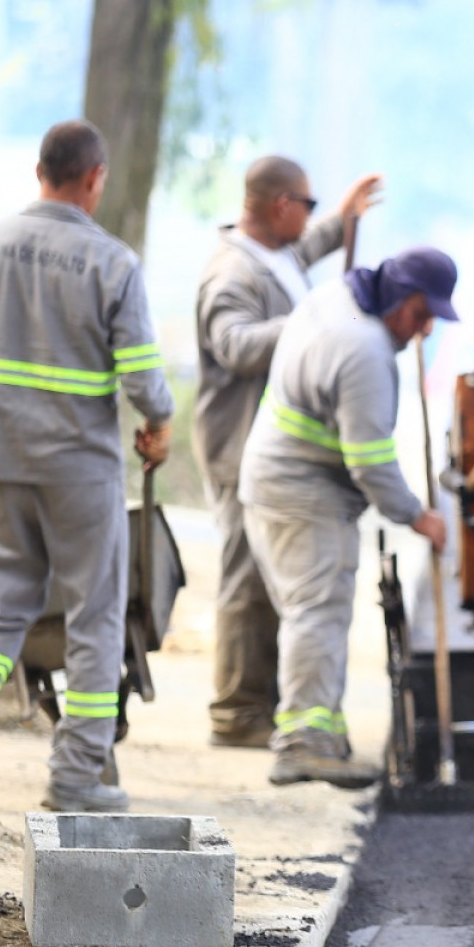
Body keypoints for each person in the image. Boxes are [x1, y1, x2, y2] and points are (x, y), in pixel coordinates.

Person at [0, 119, 174, 813]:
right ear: (94, 179)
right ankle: (78, 774)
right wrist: (160, 424)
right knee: (94, 614)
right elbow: (144, 378)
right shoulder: (111, 262)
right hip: (78, 471)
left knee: (4, 603)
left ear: (38, 172)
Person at [238, 247, 456, 787]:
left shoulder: (336, 297)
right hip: (305, 496)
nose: (425, 329)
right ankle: (304, 744)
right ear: (403, 301)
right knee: (317, 614)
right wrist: (416, 515)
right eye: (424, 315)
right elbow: (370, 459)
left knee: (313, 614)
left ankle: (325, 737)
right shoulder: (365, 351)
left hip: (275, 482)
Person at [196, 157, 382, 749]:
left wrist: (339, 220)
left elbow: (299, 256)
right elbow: (233, 344)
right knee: (246, 582)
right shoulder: (231, 274)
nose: (310, 213)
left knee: (272, 580)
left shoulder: (271, 256)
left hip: (265, 446)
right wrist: (315, 319)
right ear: (280, 206)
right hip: (238, 446)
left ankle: (267, 705)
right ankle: (238, 712)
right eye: (307, 203)